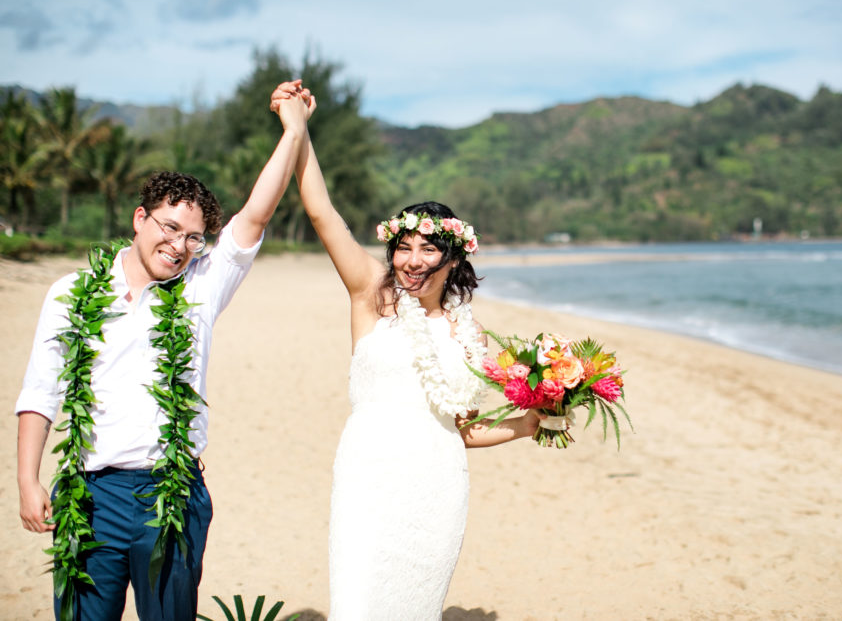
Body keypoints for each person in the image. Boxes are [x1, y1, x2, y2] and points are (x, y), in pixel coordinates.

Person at [16, 80, 315, 621]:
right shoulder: (70, 294)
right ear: (139, 219)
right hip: (90, 494)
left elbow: (255, 215)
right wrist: (26, 480)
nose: (179, 246)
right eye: (170, 228)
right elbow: (40, 392)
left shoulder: (201, 287)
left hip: (171, 494)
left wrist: (293, 130)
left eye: (194, 238)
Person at [274, 85, 546, 620]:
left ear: (453, 259)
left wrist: (533, 421)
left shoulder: (473, 334)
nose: (412, 259)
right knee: (356, 604)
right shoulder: (373, 297)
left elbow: (463, 431)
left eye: (429, 248)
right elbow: (323, 214)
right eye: (405, 246)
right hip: (367, 476)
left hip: (437, 488)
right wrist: (297, 130)